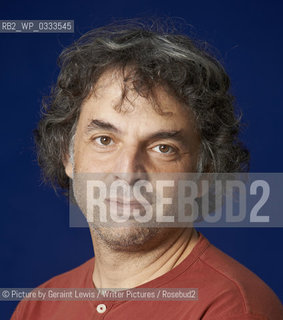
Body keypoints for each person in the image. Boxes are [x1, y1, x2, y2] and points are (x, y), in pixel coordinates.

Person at [11, 20, 283, 319]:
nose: (127, 173)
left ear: (206, 173)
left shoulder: (233, 307)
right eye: (104, 140)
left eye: (163, 148)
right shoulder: (38, 306)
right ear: (68, 156)